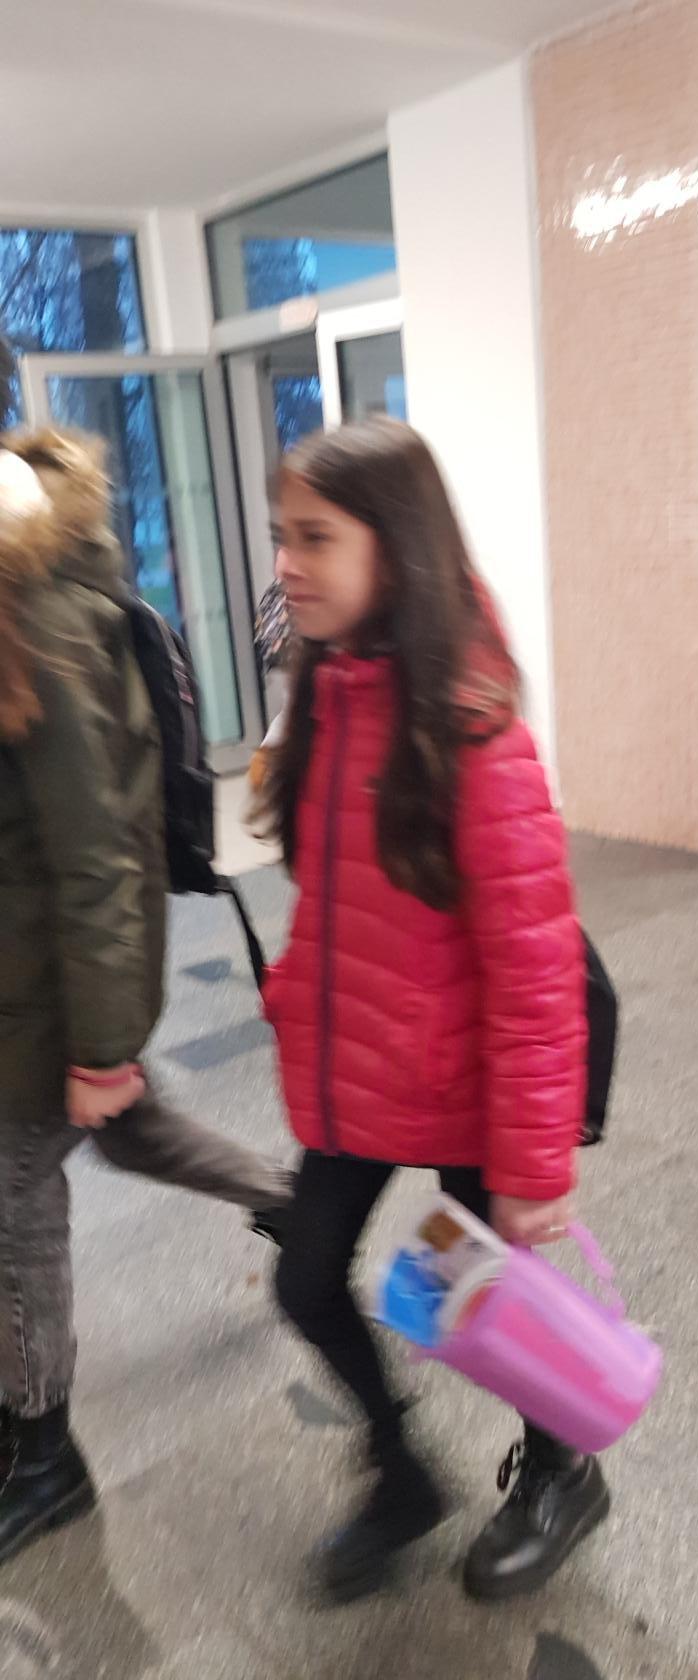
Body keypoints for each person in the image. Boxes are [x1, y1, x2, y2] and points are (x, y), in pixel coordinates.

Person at [253, 418, 611, 1604]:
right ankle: (401, 1472)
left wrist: (531, 1164)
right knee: (306, 1280)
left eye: (315, 539)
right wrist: (295, 1000)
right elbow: (330, 900)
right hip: (364, 1065)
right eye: (281, 536)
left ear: (394, 549)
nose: (287, 565)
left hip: (463, 1087)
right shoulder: (328, 689)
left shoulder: (471, 722)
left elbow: (536, 966)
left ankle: (560, 1470)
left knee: (477, 1299)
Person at [0, 345, 290, 1566]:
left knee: (16, 1204)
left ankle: (43, 1451)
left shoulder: (39, 619)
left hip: (51, 991)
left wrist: (105, 1043)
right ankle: (289, 1201)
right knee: (130, 1131)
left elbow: (99, 856)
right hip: (36, 981)